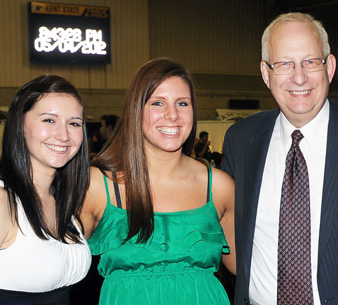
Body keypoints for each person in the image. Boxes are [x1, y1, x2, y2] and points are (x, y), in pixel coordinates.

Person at [222, 12, 338, 305]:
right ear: (265, 72)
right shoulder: (241, 139)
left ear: (330, 67)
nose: (299, 77)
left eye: (310, 62)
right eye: (284, 64)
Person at [80, 58, 236, 305]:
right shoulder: (98, 184)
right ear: (136, 110)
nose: (172, 115)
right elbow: (58, 268)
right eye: (158, 103)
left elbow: (247, 268)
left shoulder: (219, 187)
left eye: (182, 103)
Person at [0, 75, 91, 304]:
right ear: (20, 124)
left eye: (74, 123)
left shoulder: (62, 200)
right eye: (49, 120)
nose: (64, 135)